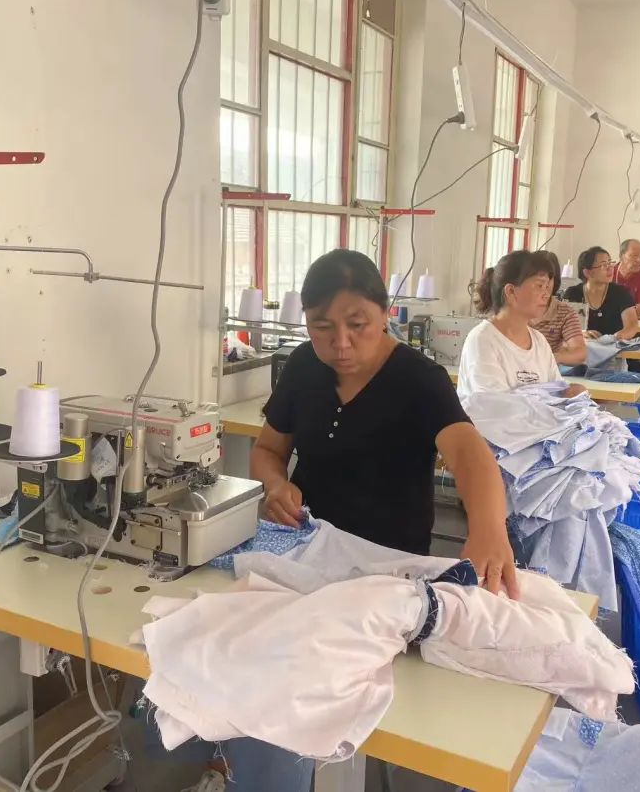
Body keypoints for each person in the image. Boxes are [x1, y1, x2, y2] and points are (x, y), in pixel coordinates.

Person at [211, 249, 518, 792]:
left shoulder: (419, 380)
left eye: (358, 325)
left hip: (387, 570)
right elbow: (267, 450)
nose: (341, 344)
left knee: (337, 689)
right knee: (264, 669)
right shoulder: (304, 367)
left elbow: (469, 453)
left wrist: (489, 528)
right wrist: (276, 486)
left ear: (385, 313)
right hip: (306, 554)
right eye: (322, 327)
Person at [458, 250, 586, 400]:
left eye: (547, 287)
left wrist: (569, 394)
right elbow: (495, 405)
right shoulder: (483, 340)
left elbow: (555, 391)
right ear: (511, 291)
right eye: (539, 286)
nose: (546, 294)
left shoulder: (539, 341)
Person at [563, 246, 639, 341]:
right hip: (583, 347)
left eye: (610, 263)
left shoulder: (621, 293)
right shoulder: (573, 294)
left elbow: (632, 326)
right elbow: (565, 327)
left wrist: (615, 338)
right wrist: (580, 333)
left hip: (615, 347)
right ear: (588, 273)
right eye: (604, 265)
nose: (610, 268)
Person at [531, 251, 587, 367]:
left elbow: (580, 353)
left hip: (547, 370)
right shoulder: (515, 309)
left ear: (555, 281)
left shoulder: (565, 312)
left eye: (549, 279)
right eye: (538, 280)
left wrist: (553, 357)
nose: (544, 286)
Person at [613, 239, 640, 319]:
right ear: (621, 256)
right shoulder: (608, 273)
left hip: (633, 323)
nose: (639, 260)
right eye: (634, 255)